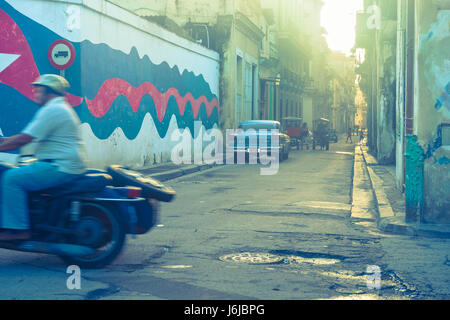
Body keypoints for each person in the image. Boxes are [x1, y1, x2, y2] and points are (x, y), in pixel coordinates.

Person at [0, 74, 87, 241]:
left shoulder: (52, 110)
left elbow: (26, 138)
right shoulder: (58, 108)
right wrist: (3, 141)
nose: (35, 93)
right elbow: (26, 135)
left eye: (38, 90)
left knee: (11, 179)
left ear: (50, 92)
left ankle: (18, 230)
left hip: (59, 167)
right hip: (62, 164)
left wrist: (2, 146)